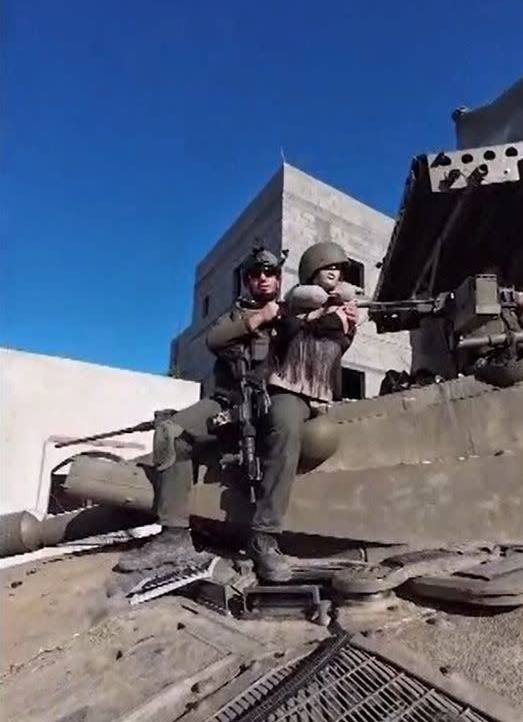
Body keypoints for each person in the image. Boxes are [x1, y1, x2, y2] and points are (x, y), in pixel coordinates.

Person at [118, 245, 286, 574]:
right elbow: (215, 339)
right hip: (228, 402)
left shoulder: (291, 314)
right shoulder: (233, 317)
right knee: (171, 432)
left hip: (273, 402)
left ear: (279, 278)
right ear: (246, 282)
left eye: (270, 273)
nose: (263, 279)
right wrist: (260, 318)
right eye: (255, 274)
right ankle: (174, 536)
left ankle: (266, 538)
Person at [247, 242, 359, 581]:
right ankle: (263, 537)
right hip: (288, 390)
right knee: (285, 431)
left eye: (339, 268)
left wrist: (346, 315)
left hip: (322, 395)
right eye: (327, 266)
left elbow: (339, 338)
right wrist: (333, 314)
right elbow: (300, 324)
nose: (334, 272)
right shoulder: (297, 300)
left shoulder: (344, 308)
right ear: (311, 268)